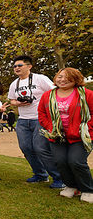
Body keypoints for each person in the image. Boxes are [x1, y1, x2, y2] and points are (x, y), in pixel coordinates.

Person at [7, 55, 64, 188]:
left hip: (40, 118)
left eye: (19, 65)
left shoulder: (40, 78)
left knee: (40, 148)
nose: (16, 68)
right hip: (23, 120)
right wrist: (19, 103)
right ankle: (40, 175)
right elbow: (12, 101)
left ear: (29, 66)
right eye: (15, 66)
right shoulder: (14, 84)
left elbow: (55, 92)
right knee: (26, 148)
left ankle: (59, 178)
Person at [38, 68, 93, 203]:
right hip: (57, 135)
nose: (62, 80)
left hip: (81, 136)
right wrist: (52, 128)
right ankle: (71, 186)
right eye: (60, 77)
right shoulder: (47, 95)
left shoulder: (87, 94)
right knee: (60, 162)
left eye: (67, 78)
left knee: (76, 161)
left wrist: (86, 128)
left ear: (76, 79)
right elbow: (42, 114)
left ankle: (87, 189)